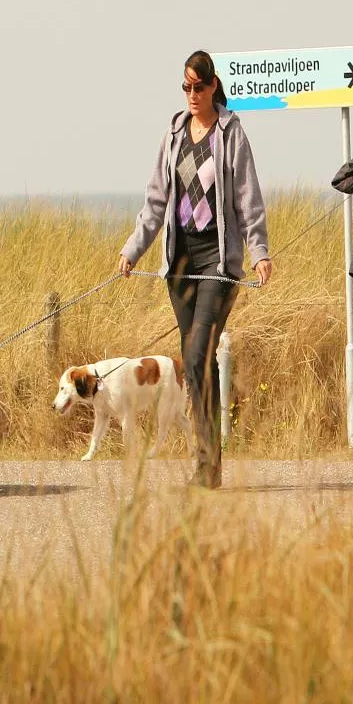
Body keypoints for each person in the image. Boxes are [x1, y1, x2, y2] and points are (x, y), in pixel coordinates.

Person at [118, 50, 272, 489]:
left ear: (212, 86)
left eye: (198, 87)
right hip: (180, 265)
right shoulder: (173, 135)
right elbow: (155, 203)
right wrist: (134, 249)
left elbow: (248, 197)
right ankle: (209, 461)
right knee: (196, 363)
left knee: (198, 351)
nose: (191, 95)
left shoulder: (231, 132)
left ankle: (207, 464)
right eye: (185, 87)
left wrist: (259, 251)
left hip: (218, 263)